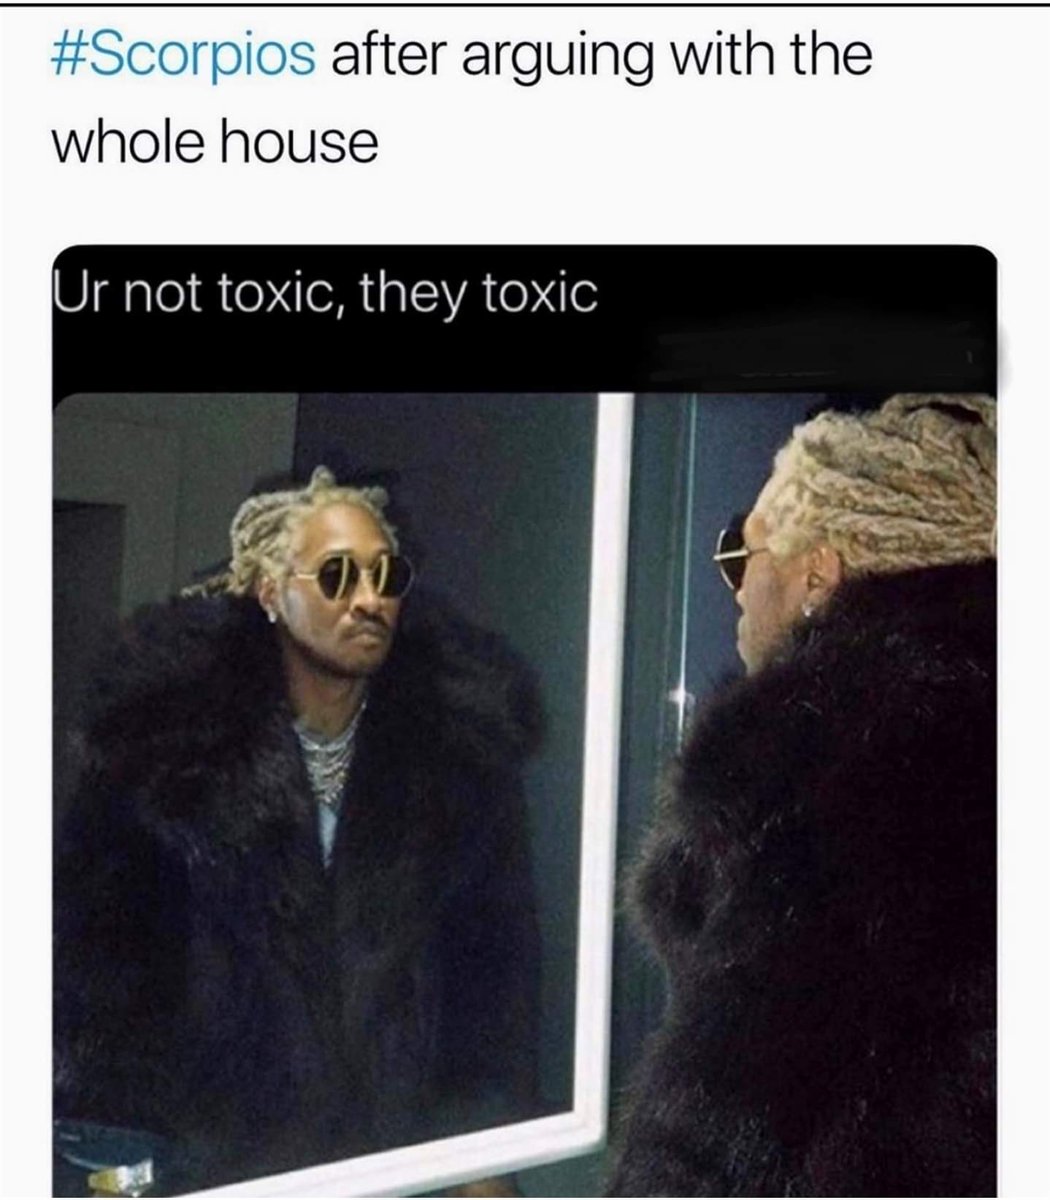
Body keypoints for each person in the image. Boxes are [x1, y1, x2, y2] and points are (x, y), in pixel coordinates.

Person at [54, 467, 542, 1193]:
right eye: (338, 575)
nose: (369, 599)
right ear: (270, 592)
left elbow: (490, 994)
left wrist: (481, 1166)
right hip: (213, 1169)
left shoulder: (458, 766)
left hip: (387, 1168)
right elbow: (99, 990)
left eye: (387, 575)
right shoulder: (162, 758)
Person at [608, 394, 997, 1197]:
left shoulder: (822, 768)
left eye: (743, 555)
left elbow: (714, 1141)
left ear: (817, 575)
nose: (737, 592)